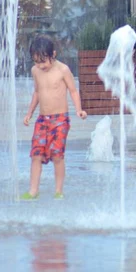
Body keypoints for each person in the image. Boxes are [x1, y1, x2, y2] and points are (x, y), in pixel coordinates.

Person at [21, 34, 87, 200]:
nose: (40, 65)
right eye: (36, 61)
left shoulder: (63, 70)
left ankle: (58, 191)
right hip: (42, 120)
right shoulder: (35, 71)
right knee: (36, 155)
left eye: (43, 61)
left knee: (57, 155)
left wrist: (79, 109)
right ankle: (33, 191)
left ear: (54, 54)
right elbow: (37, 92)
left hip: (60, 120)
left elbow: (73, 90)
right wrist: (29, 113)